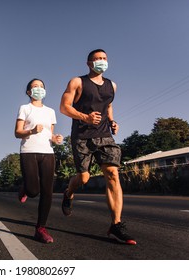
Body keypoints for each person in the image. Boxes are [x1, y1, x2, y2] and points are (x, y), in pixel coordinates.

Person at [59, 49, 137, 245]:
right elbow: (64, 107)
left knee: (112, 173)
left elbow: (108, 104)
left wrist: (112, 121)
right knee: (83, 178)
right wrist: (85, 117)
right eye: (97, 59)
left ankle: (116, 224)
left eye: (104, 58)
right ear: (88, 63)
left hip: (104, 135)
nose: (102, 61)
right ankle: (68, 193)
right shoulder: (77, 82)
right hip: (82, 136)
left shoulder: (112, 85)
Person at [15, 78, 63, 243]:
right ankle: (25, 187)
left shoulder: (50, 111)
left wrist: (55, 138)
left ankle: (40, 229)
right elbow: (17, 132)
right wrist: (32, 130)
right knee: (33, 191)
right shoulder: (25, 108)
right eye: (35, 86)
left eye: (41, 86)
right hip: (28, 151)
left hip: (47, 152)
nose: (39, 89)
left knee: (47, 192)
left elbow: (51, 133)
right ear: (29, 92)